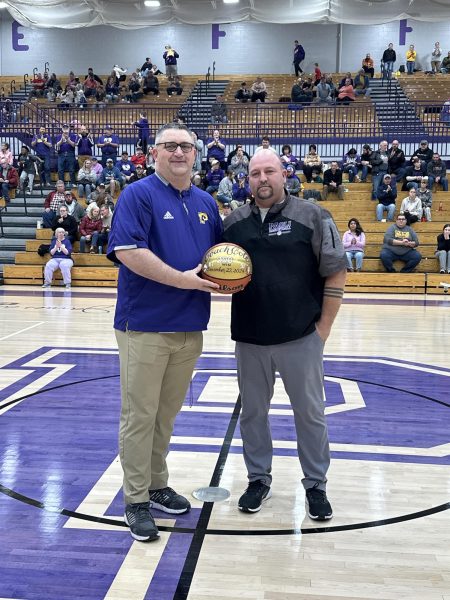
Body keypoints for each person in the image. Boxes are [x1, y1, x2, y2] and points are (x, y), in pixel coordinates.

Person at [106, 122, 222, 542]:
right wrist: (186, 281)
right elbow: (129, 253)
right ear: (154, 153)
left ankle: (156, 484)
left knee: (165, 416)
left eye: (185, 147)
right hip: (146, 325)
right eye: (169, 145)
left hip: (191, 326)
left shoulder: (207, 201)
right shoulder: (137, 195)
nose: (178, 152)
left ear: (196, 154)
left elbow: (221, 259)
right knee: (139, 416)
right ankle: (135, 500)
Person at [222, 148, 346, 519]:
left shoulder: (313, 215)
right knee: (253, 414)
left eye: (269, 172)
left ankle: (315, 485)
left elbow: (336, 271)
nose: (262, 179)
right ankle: (258, 479)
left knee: (310, 413)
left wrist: (322, 329)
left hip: (300, 336)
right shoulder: (233, 223)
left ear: (284, 175)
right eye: (255, 173)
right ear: (248, 179)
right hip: (250, 337)